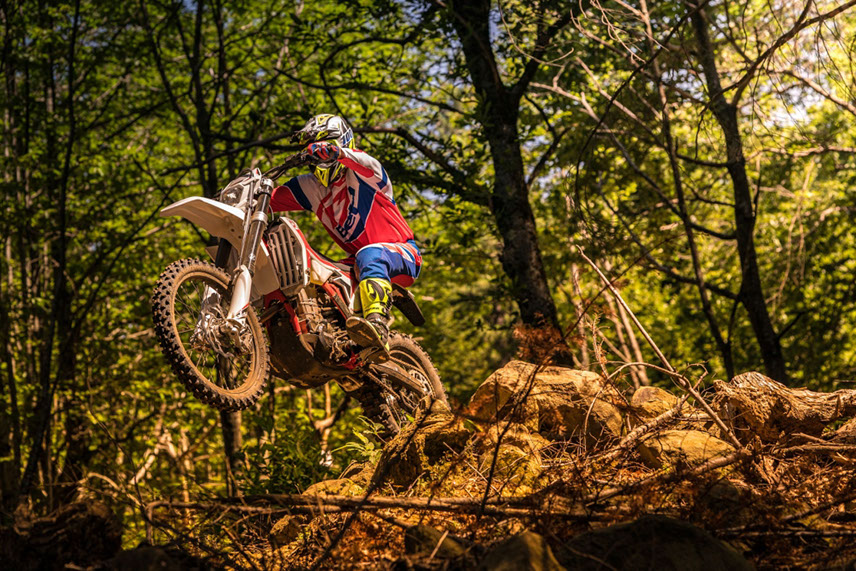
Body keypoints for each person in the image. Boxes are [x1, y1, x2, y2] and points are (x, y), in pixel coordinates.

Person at [270, 114, 422, 363]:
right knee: (319, 278)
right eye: (313, 148)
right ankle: (336, 342)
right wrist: (241, 194)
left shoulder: (366, 173)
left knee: (369, 254)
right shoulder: (311, 187)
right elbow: (269, 199)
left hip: (402, 252)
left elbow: (363, 160)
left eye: (325, 143)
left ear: (342, 141)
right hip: (357, 263)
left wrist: (337, 153)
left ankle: (377, 326)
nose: (319, 154)